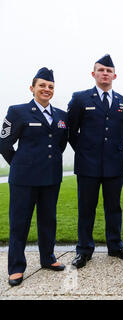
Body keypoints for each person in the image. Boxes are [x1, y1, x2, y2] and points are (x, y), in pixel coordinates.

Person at [0, 68, 68, 286]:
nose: (46, 89)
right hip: (24, 179)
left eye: (50, 87)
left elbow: (61, 144)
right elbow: (4, 142)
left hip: (50, 178)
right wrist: (20, 164)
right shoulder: (18, 111)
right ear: (32, 88)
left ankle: (48, 258)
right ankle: (16, 268)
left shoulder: (60, 115)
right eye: (42, 86)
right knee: (19, 223)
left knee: (48, 221)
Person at [67, 54, 123, 269]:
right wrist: (86, 150)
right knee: (87, 207)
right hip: (88, 164)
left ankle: (115, 245)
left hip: (114, 163)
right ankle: (84, 250)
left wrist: (109, 150)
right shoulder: (80, 99)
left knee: (114, 207)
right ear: (93, 74)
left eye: (108, 71)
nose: (105, 73)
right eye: (101, 70)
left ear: (115, 75)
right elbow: (71, 131)